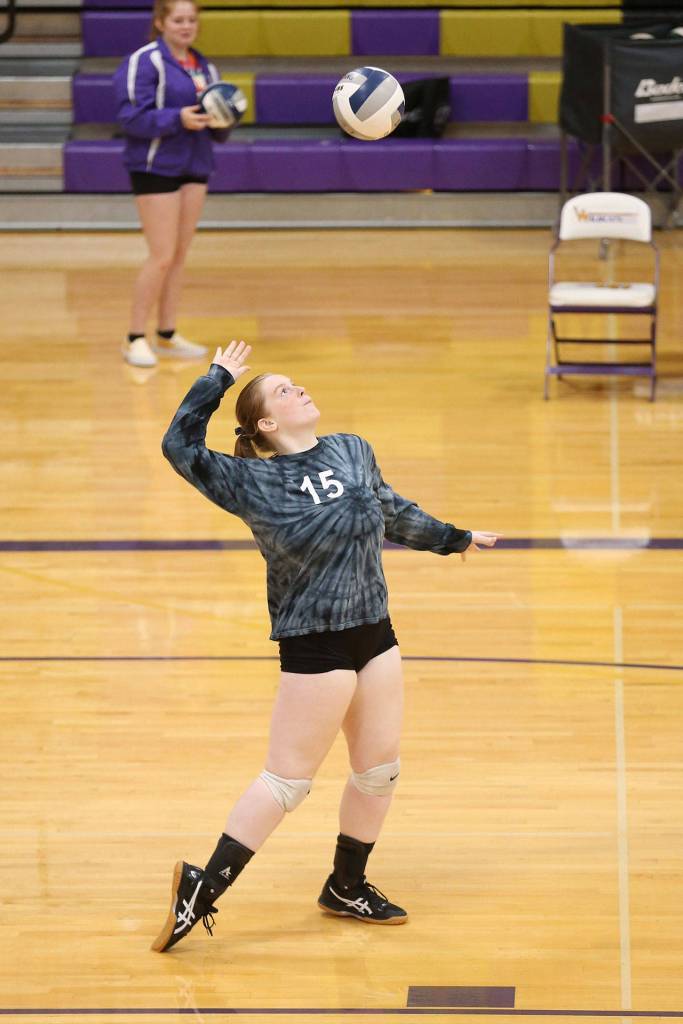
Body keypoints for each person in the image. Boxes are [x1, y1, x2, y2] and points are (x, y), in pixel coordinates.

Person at [153, 340, 500, 952]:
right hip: (315, 644)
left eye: (295, 383)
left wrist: (454, 538)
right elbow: (179, 447)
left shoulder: (351, 449)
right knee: (287, 783)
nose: (298, 389)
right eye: (282, 391)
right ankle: (200, 891)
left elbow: (391, 512)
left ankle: (346, 886)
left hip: (375, 634)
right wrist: (218, 379)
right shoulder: (250, 480)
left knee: (379, 772)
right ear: (266, 423)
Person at [114, 0, 229, 368]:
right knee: (161, 255)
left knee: (179, 255)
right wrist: (177, 118)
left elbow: (216, 125)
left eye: (192, 19)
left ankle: (166, 333)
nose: (186, 26)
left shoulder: (205, 67)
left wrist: (225, 118)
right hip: (156, 165)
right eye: (178, 19)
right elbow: (130, 117)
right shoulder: (145, 61)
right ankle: (134, 337)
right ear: (161, 22)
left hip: (196, 164)